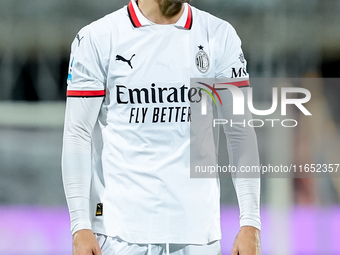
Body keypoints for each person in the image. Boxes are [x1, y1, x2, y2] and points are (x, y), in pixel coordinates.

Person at [62, 0, 261, 254]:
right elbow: (77, 133)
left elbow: (240, 131)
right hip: (119, 235)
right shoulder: (98, 38)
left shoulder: (218, 35)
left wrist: (251, 223)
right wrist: (80, 225)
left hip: (198, 235)